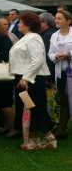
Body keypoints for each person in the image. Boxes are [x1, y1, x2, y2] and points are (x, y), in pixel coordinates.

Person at [9, 11, 56, 149]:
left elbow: (38, 60)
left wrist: (26, 78)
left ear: (28, 24)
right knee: (30, 107)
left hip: (32, 78)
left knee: (34, 107)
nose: (18, 25)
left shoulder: (33, 38)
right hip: (25, 76)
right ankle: (37, 138)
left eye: (21, 22)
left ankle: (44, 137)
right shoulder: (27, 37)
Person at [49, 10, 72, 139]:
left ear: (68, 21)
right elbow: (50, 52)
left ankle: (62, 127)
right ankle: (62, 128)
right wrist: (55, 56)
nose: (56, 21)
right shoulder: (54, 35)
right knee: (63, 99)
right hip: (61, 71)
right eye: (56, 18)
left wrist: (69, 55)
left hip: (71, 69)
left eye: (59, 18)